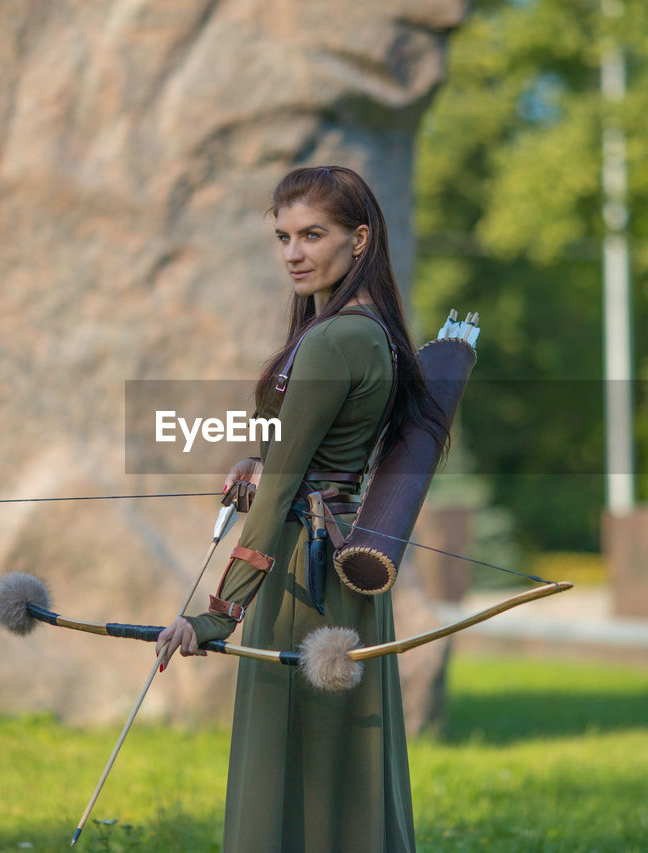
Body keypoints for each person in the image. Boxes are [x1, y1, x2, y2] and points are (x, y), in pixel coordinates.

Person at [157, 165, 445, 853]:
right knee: (343, 770)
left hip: (300, 579)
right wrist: (263, 461)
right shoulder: (366, 332)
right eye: (284, 236)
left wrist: (218, 612)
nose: (293, 253)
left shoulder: (334, 338)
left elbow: (286, 487)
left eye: (313, 234)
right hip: (340, 571)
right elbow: (311, 457)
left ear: (360, 238)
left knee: (290, 770)